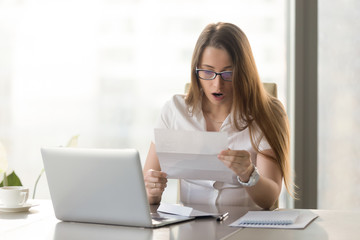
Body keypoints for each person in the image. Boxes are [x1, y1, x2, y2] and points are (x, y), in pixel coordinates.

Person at [143, 22, 292, 209]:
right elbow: (146, 191)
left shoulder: (268, 113)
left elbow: (269, 198)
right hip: (190, 230)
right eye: (207, 72)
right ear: (196, 71)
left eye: (228, 73)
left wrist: (248, 173)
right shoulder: (174, 110)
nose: (217, 85)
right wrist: (151, 192)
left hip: (246, 230)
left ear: (244, 73)